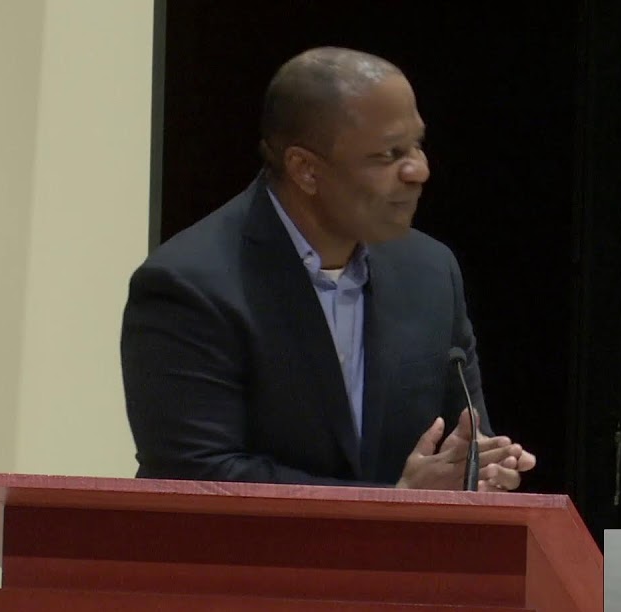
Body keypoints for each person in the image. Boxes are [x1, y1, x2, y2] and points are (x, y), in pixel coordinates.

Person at [119, 47, 535, 490]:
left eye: (417, 144)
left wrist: (480, 469)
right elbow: (198, 475)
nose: (419, 170)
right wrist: (394, 503)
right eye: (388, 154)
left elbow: (464, 440)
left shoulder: (430, 272)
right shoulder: (188, 286)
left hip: (406, 559)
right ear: (305, 170)